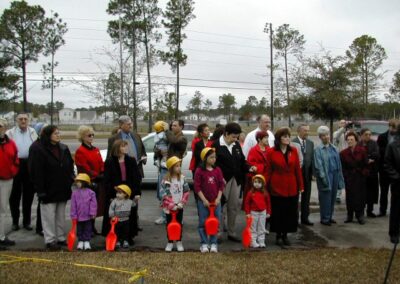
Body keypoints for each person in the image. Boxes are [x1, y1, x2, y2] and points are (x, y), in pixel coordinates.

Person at [29, 125, 74, 249]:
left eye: (59, 133)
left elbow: (70, 165)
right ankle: (50, 240)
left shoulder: (63, 148)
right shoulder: (37, 148)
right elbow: (35, 171)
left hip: (62, 187)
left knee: (60, 215)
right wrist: (40, 190)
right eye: (55, 133)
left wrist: (70, 178)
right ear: (48, 135)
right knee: (48, 216)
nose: (58, 135)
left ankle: (60, 237)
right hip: (47, 189)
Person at [213, 122, 256, 242]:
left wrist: (249, 167)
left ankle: (231, 232)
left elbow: (242, 161)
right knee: (220, 207)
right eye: (233, 136)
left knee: (233, 207)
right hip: (221, 181)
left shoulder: (236, 145)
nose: (235, 139)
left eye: (237, 137)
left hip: (236, 180)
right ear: (226, 134)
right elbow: (211, 164)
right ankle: (218, 233)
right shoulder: (215, 145)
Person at [107, 115, 146, 233]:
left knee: (134, 198)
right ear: (121, 125)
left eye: (131, 123)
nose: (131, 126)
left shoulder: (136, 136)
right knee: (120, 201)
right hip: (120, 175)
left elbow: (142, 150)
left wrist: (143, 158)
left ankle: (134, 223)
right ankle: (119, 226)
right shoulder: (113, 139)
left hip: (135, 172)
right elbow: (110, 155)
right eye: (128, 124)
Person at [265, 127, 303, 246]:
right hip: (276, 186)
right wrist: (264, 185)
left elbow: (297, 169)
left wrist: (300, 185)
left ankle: (285, 234)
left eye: (288, 136)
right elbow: (268, 170)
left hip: (291, 186)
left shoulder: (293, 151)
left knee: (289, 212)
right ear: (279, 138)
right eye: (284, 136)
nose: (287, 138)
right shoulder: (271, 152)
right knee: (278, 212)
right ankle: (278, 235)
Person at [102, 140, 142, 245]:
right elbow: (106, 179)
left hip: (129, 192)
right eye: (123, 146)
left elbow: (137, 178)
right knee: (114, 215)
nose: (126, 148)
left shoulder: (131, 161)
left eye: (126, 146)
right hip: (115, 193)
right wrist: (111, 193)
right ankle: (114, 236)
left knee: (129, 215)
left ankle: (128, 237)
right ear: (117, 148)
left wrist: (137, 193)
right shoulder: (110, 162)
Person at [6, 113, 38, 231]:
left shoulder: (33, 132)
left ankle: (27, 222)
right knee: (14, 196)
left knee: (28, 195)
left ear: (28, 120)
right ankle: (15, 221)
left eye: (25, 119)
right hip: (15, 164)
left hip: (29, 164)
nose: (23, 121)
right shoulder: (10, 133)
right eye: (21, 119)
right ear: (16, 120)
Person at [74, 125, 104, 235]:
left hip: (97, 181)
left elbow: (101, 162)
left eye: (92, 135)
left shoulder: (95, 149)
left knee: (94, 206)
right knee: (85, 207)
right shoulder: (80, 151)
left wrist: (102, 172)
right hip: (87, 182)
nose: (91, 137)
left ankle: (92, 226)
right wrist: (95, 176)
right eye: (89, 135)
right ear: (82, 137)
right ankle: (86, 229)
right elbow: (83, 167)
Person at [194, 147, 224, 253]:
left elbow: (221, 185)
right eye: (211, 157)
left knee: (215, 222)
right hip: (203, 202)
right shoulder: (199, 171)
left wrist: (218, 198)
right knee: (203, 222)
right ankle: (204, 243)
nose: (214, 159)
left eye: (214, 157)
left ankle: (213, 243)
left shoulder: (217, 170)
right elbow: (197, 187)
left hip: (215, 202)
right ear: (205, 158)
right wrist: (204, 200)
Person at [314, 126, 345, 226]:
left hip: (335, 173)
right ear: (320, 137)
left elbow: (339, 162)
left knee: (332, 196)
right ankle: (325, 218)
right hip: (326, 175)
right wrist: (323, 178)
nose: (326, 137)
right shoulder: (318, 149)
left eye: (327, 135)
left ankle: (330, 216)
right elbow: (318, 166)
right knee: (325, 197)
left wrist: (340, 175)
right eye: (323, 135)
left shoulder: (334, 148)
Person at [160, 156, 190, 252]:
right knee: (169, 224)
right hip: (169, 208)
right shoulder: (166, 180)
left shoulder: (182, 178)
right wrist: (171, 205)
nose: (179, 168)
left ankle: (179, 241)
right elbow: (164, 194)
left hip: (179, 206)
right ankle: (170, 241)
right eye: (176, 166)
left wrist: (182, 202)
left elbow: (186, 191)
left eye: (179, 166)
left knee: (179, 224)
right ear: (171, 167)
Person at [341, 131, 369, 225]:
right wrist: (346, 176)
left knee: (360, 197)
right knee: (349, 197)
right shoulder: (343, 153)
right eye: (348, 140)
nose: (349, 141)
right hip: (349, 178)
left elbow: (366, 165)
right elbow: (343, 167)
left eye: (351, 140)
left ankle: (360, 215)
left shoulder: (362, 150)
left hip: (360, 177)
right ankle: (349, 215)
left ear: (356, 140)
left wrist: (363, 173)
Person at [0, 118, 19, 246]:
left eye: (0, 126)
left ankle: (1, 237)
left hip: (6, 180)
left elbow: (15, 160)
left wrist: (12, 171)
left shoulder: (11, 143)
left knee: (3, 209)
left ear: (4, 128)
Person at [292, 124, 314, 226]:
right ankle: (294, 219)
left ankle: (305, 218)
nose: (307, 133)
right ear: (299, 131)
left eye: (308, 130)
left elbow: (312, 158)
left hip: (307, 175)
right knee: (295, 199)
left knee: (306, 197)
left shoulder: (310, 143)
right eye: (305, 130)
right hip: (296, 176)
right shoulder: (292, 143)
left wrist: (313, 173)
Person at [377, 119, 399, 217]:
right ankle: (382, 210)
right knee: (384, 191)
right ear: (389, 126)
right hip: (384, 169)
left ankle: (394, 211)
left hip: (397, 170)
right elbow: (379, 152)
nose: (393, 129)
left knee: (396, 192)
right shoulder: (382, 137)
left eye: (395, 128)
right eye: (392, 127)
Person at [70, 173, 97, 250]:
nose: (77, 183)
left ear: (84, 182)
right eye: (77, 181)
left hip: (88, 216)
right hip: (79, 216)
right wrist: (73, 215)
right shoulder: (74, 193)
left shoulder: (91, 193)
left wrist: (93, 213)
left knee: (88, 229)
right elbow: (73, 205)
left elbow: (93, 204)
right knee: (79, 229)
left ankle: (87, 241)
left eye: (79, 181)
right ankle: (81, 241)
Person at [243, 131, 270, 210]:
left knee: (267, 200)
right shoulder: (253, 150)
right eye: (265, 138)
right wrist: (263, 166)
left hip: (268, 178)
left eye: (267, 137)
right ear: (259, 139)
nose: (267, 140)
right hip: (258, 180)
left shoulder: (269, 149)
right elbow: (251, 165)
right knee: (257, 200)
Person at [244, 174, 271, 248]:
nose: (257, 184)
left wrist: (268, 212)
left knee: (262, 227)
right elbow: (247, 203)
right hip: (253, 212)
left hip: (263, 212)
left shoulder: (265, 193)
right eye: (255, 182)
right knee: (253, 228)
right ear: (253, 183)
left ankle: (261, 241)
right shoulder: (250, 193)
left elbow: (268, 203)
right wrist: (248, 213)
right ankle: (253, 241)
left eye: (259, 182)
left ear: (262, 184)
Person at [384, 123, 400, 244]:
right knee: (396, 208)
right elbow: (387, 164)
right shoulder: (392, 145)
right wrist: (396, 177)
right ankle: (394, 233)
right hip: (398, 182)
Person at [359, 128, 380, 217]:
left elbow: (377, 154)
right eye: (366, 134)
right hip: (361, 172)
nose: (368, 136)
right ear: (362, 135)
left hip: (372, 172)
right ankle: (361, 211)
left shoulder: (374, 143)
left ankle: (370, 210)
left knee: (371, 192)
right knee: (362, 192)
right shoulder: (359, 144)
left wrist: (368, 156)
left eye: (369, 134)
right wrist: (367, 158)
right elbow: (358, 155)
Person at [109, 184, 134, 249]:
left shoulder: (129, 201)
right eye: (117, 193)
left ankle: (125, 240)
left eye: (120, 193)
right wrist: (112, 216)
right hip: (117, 219)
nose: (117, 194)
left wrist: (136, 200)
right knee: (117, 231)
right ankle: (118, 241)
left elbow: (134, 205)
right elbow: (111, 208)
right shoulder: (115, 201)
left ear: (126, 194)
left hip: (126, 219)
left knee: (126, 231)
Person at [333, 119, 349, 203]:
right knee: (339, 175)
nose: (343, 124)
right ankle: (338, 195)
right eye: (342, 123)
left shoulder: (348, 134)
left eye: (345, 123)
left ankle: (348, 194)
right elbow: (337, 136)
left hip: (348, 156)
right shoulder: (336, 133)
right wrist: (343, 128)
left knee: (347, 175)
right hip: (339, 156)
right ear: (339, 124)